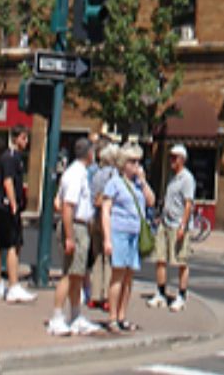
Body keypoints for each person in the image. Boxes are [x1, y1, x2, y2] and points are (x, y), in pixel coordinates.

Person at [49, 137, 103, 337]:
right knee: (69, 273)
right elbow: (67, 206)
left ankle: (75, 315)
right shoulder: (75, 174)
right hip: (76, 227)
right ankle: (56, 317)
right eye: (93, 152)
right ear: (89, 153)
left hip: (80, 226)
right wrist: (70, 236)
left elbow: (59, 201)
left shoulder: (78, 173)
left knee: (77, 274)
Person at [99, 144, 154, 333]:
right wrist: (107, 238)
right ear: (123, 164)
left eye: (138, 161)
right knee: (118, 275)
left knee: (129, 277)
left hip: (135, 233)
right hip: (119, 231)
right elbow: (105, 210)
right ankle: (112, 317)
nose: (136, 165)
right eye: (132, 161)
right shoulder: (114, 183)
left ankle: (123, 316)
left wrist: (144, 182)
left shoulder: (138, 184)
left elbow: (151, 201)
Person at [148, 145, 198, 311]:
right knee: (160, 258)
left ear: (182, 160)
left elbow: (188, 204)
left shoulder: (187, 179)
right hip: (165, 222)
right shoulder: (171, 177)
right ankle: (160, 293)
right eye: (170, 157)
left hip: (178, 225)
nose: (171, 160)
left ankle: (181, 295)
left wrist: (183, 226)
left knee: (181, 261)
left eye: (175, 157)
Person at [0, 126, 35, 303]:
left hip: (2, 205)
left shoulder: (11, 158)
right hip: (8, 206)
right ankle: (13, 285)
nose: (26, 142)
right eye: (24, 138)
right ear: (15, 138)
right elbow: (8, 181)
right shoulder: (11, 158)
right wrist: (14, 203)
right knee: (13, 244)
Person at [87, 140, 121, 313]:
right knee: (109, 259)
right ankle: (107, 297)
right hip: (109, 219)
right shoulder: (115, 175)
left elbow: (92, 196)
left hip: (95, 217)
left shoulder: (97, 174)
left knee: (97, 256)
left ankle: (94, 295)